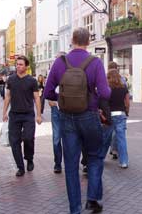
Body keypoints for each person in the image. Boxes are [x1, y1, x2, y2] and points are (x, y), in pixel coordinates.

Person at [44, 27, 111, 214]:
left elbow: (48, 92)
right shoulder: (95, 62)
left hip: (67, 119)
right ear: (89, 41)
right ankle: (93, 200)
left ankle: (75, 210)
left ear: (72, 41)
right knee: (95, 157)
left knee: (71, 165)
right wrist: (93, 98)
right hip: (89, 116)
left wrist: (65, 99)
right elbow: (105, 92)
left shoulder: (60, 62)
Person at [3, 55, 42, 177]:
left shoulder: (32, 81)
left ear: (26, 66)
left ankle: (29, 158)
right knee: (14, 142)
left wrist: (39, 115)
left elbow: (36, 97)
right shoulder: (11, 79)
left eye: (20, 64)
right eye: (17, 64)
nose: (18, 66)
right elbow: (8, 96)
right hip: (14, 115)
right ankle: (20, 167)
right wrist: (4, 112)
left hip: (28, 115)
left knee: (28, 138)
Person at [47, 51, 67, 174]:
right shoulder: (53, 74)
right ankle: (58, 163)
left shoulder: (70, 72)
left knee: (70, 138)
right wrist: (52, 101)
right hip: (56, 110)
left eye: (58, 59)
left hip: (69, 110)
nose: (56, 62)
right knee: (56, 138)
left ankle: (72, 162)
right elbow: (48, 94)